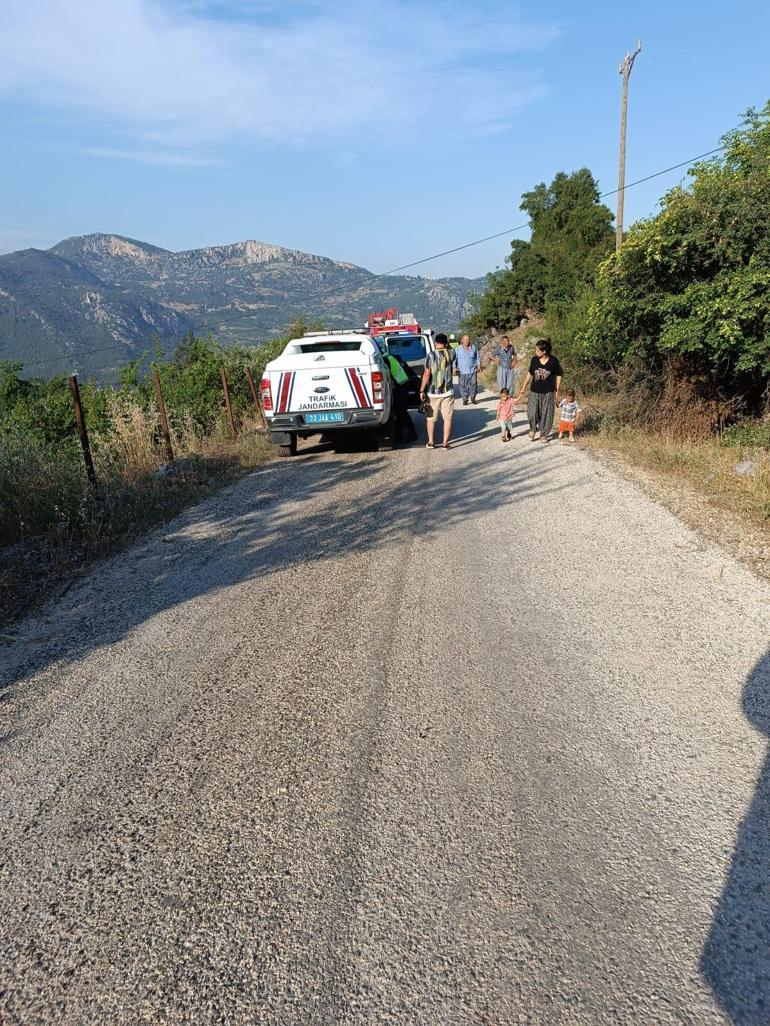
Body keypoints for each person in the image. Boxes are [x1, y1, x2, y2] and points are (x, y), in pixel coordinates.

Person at [516, 338, 563, 443]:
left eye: (537, 350)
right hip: (534, 391)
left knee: (547, 414)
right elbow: (530, 373)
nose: (535, 352)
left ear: (544, 351)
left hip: (548, 392)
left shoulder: (554, 361)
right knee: (532, 412)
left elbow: (559, 375)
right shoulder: (534, 360)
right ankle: (533, 428)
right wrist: (523, 387)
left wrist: (557, 389)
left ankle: (543, 435)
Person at [419, 332, 456, 449]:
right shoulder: (451, 353)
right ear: (446, 343)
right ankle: (445, 443)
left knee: (431, 418)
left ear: (435, 343)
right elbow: (449, 350)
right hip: (448, 391)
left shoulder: (430, 356)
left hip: (432, 392)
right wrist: (446, 345)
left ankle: (431, 442)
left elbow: (426, 374)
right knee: (447, 418)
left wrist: (421, 390)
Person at [382, 348, 418, 444]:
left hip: (400, 386)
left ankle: (412, 433)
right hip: (402, 384)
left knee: (400, 411)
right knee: (398, 411)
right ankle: (399, 433)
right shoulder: (387, 355)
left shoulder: (383, 359)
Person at [455, 333, 480, 405]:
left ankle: (473, 397)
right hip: (462, 371)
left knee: (474, 384)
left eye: (468, 340)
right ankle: (465, 398)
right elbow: (454, 359)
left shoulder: (473, 347)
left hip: (472, 370)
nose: (467, 341)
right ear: (462, 340)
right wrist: (454, 367)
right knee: (462, 385)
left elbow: (477, 357)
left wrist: (479, 365)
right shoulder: (458, 349)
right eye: (465, 340)